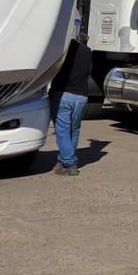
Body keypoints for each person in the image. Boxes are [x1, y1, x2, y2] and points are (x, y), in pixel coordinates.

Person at [50, 38, 93, 176]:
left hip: (63, 94)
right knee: (74, 130)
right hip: (81, 97)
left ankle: (69, 163)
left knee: (62, 131)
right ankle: (63, 161)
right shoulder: (87, 52)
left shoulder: (62, 49)